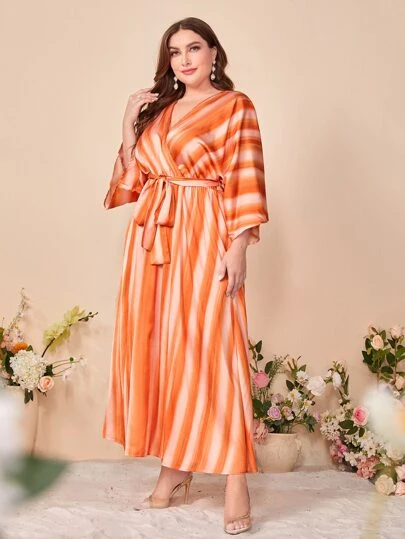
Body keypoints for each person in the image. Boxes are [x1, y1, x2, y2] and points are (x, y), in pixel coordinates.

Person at [102, 16, 269, 535]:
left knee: (215, 348)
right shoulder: (162, 110)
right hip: (151, 240)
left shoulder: (235, 106)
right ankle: (175, 468)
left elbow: (245, 174)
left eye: (194, 48)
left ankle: (236, 477)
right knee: (165, 350)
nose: (185, 60)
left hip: (205, 233)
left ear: (214, 52)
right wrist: (128, 126)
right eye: (175, 52)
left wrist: (238, 246)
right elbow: (134, 183)